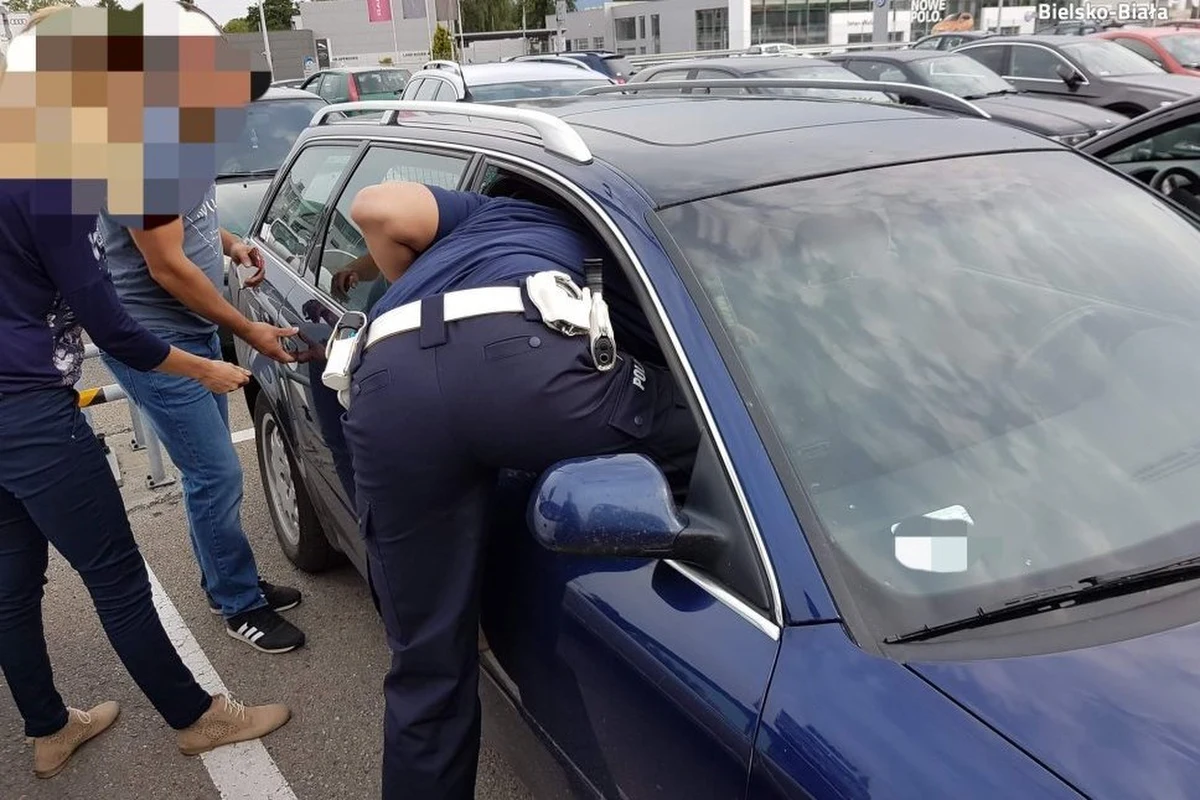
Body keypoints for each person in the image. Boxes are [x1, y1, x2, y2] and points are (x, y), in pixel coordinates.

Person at [339, 179, 701, 799]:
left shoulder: (487, 212)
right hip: (528, 360)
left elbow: (376, 207)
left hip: (386, 384)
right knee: (715, 433)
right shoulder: (612, 222)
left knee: (426, 666)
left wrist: (424, 303)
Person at [0, 182, 293, 780]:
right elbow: (111, 325)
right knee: (118, 579)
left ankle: (50, 728)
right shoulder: (50, 191)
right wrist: (203, 367)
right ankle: (197, 718)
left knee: (12, 585)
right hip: (29, 413)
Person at [96, 198, 309, 655]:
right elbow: (167, 267)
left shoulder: (177, 156)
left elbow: (190, 218)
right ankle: (239, 604)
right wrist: (247, 329)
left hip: (192, 330)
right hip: (157, 345)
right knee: (215, 476)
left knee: (209, 474)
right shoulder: (138, 167)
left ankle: (224, 582)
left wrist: (230, 244)